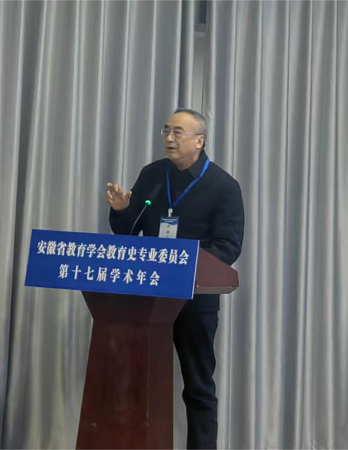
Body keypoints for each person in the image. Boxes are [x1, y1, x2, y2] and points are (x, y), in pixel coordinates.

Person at [105, 108, 244, 449]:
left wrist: (184, 265)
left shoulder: (224, 186)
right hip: (148, 298)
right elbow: (129, 231)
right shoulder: (153, 175)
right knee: (137, 381)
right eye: (166, 130)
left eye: (178, 132)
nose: (169, 138)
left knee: (198, 387)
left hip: (194, 301)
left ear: (199, 141)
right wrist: (121, 211)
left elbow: (228, 246)